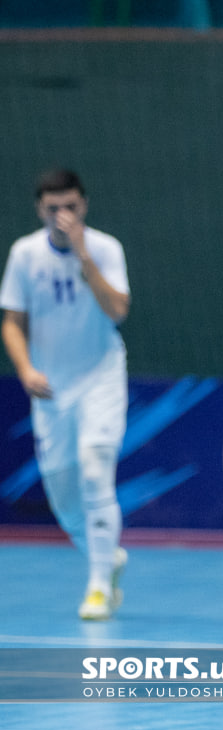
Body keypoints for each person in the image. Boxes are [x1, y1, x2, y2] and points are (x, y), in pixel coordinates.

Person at [1, 168, 130, 620]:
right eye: (53, 208)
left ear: (84, 206)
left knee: (96, 469)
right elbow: (12, 321)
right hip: (51, 389)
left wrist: (84, 259)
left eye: (70, 207)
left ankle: (97, 587)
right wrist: (25, 368)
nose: (63, 216)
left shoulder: (106, 249)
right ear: (40, 210)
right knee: (64, 500)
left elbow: (117, 311)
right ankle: (107, 557)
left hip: (100, 377)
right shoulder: (24, 254)